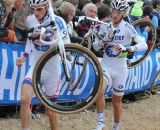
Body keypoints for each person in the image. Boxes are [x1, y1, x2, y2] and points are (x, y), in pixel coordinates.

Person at [92, 0, 148, 130]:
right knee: (99, 91)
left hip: (121, 69)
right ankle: (100, 122)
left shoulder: (127, 27)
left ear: (123, 13)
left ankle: (116, 126)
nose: (115, 14)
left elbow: (144, 44)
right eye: (113, 11)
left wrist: (127, 49)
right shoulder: (104, 25)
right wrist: (104, 41)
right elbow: (95, 46)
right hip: (106, 65)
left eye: (118, 12)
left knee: (117, 102)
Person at [16, 0, 70, 130]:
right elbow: (29, 41)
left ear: (46, 7)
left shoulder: (58, 21)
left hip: (52, 70)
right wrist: (24, 55)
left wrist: (44, 36)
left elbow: (66, 45)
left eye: (39, 9)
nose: (36, 13)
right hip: (36, 67)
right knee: (24, 99)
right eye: (33, 9)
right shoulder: (30, 19)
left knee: (50, 111)